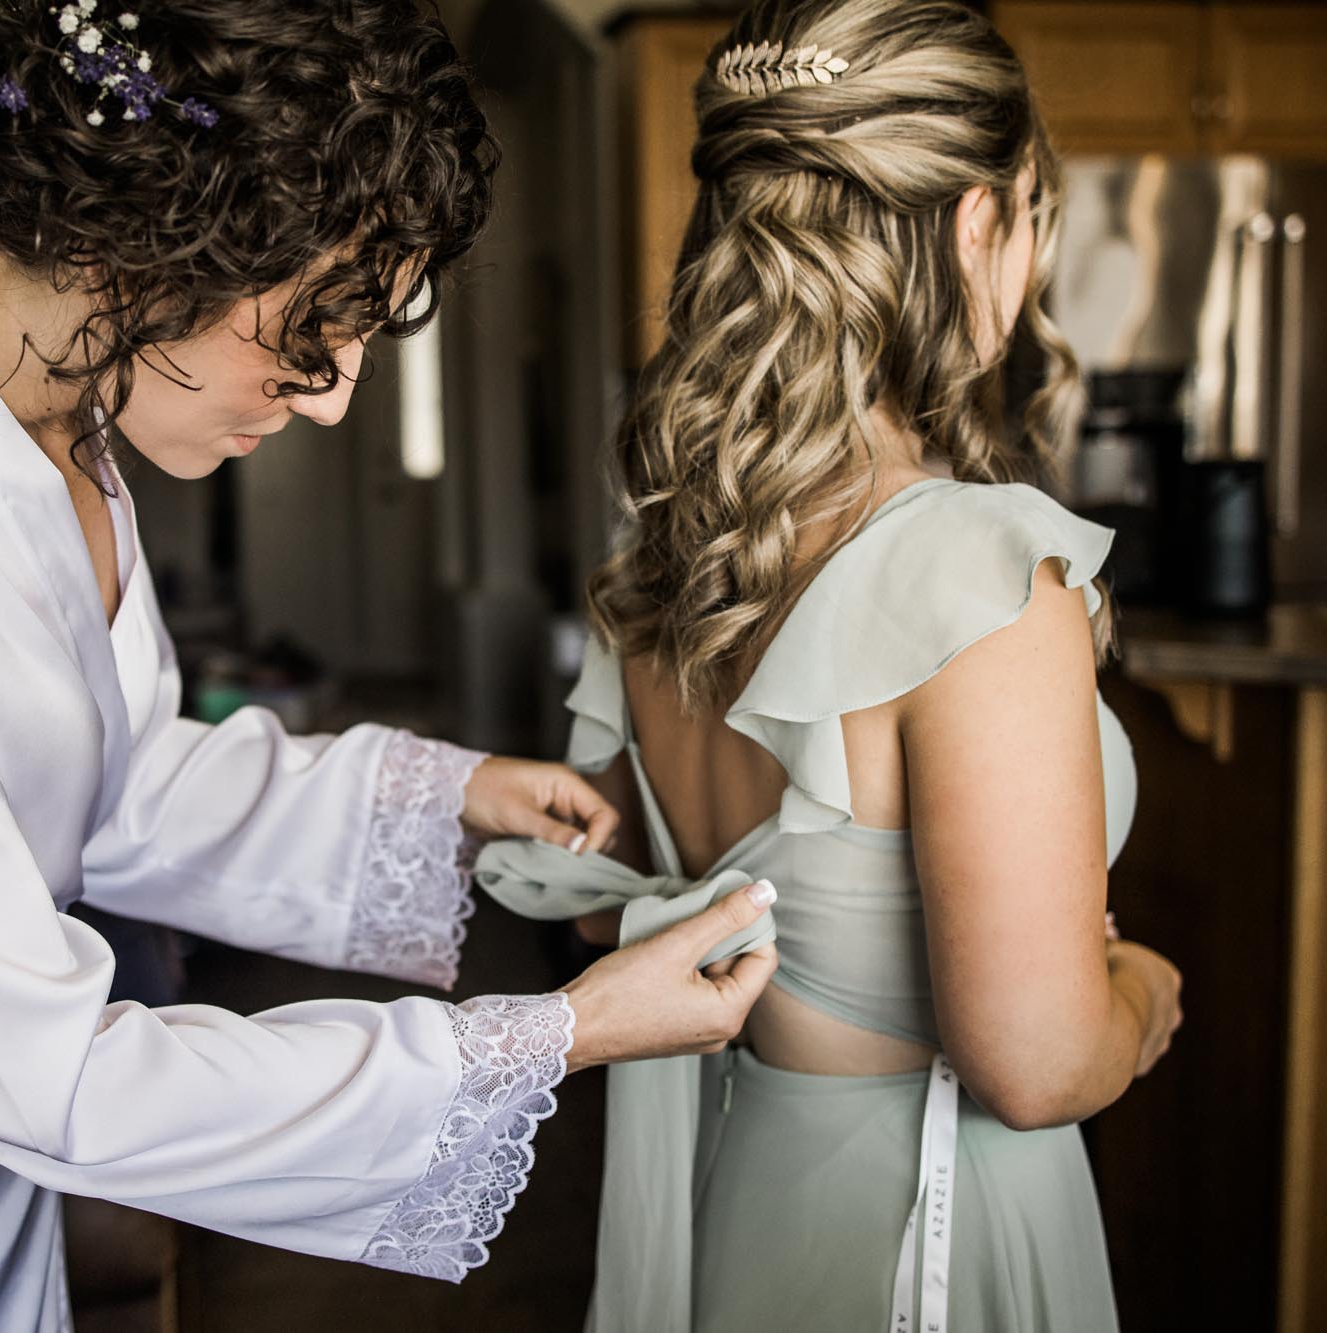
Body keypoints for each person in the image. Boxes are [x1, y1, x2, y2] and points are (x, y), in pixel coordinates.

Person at [0, 2, 778, 1328]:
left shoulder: (47, 417)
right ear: (142, 232)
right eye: (318, 319)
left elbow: (109, 786)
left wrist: (455, 797)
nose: (335, 393)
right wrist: (559, 1033)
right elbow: (44, 1066)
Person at [475, 2, 1185, 1329]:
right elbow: (1032, 1064)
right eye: (1032, 216)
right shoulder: (979, 580)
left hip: (753, 1195)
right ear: (978, 223)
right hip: (935, 1234)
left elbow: (596, 905)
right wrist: (1137, 991)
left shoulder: (666, 561)